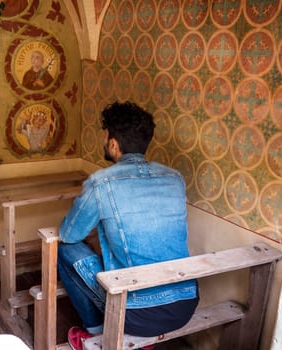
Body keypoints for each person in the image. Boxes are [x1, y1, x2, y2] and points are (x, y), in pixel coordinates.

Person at [57, 101, 199, 350]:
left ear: (113, 144)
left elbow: (69, 234)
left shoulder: (101, 182)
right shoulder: (175, 178)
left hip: (136, 313)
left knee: (64, 249)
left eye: (105, 137)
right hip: (184, 304)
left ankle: (97, 334)